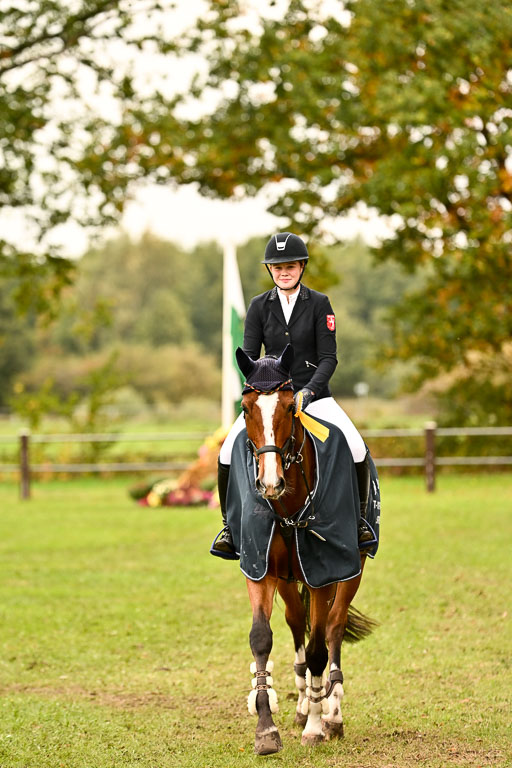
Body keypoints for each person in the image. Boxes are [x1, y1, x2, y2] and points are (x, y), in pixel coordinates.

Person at [211, 232, 374, 559]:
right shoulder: (259, 306)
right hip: (273, 400)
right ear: (270, 270)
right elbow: (248, 357)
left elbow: (328, 358)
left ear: (301, 267)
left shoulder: (319, 304)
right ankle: (229, 528)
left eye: (290, 266)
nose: (284, 272)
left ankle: (359, 522)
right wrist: (261, 393)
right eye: (278, 267)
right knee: (227, 451)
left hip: (316, 396)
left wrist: (309, 391)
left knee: (356, 446)